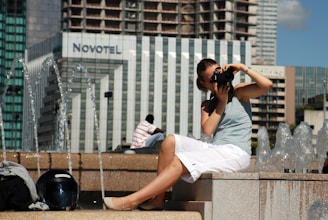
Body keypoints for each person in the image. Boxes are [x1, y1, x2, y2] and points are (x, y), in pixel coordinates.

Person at [104, 58, 272, 210]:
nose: (218, 77)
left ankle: (131, 201)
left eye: (219, 71)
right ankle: (158, 199)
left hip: (236, 153)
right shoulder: (207, 105)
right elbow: (208, 130)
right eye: (213, 77)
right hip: (216, 148)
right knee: (170, 141)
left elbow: (267, 85)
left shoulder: (239, 92)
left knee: (180, 161)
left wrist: (242, 68)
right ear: (205, 84)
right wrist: (220, 102)